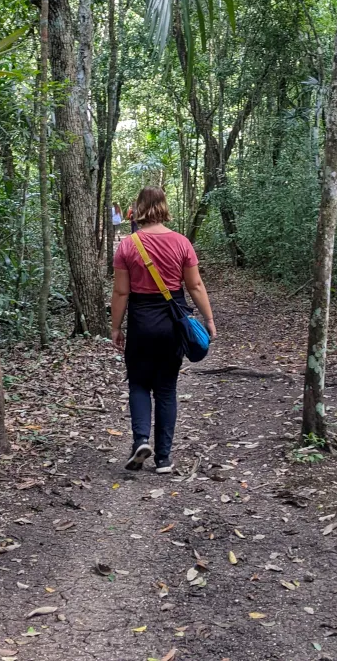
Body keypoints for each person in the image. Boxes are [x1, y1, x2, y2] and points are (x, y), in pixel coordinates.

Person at [110, 185, 216, 473]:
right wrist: (208, 320)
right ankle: (164, 459)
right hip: (174, 322)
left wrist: (116, 328)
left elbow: (121, 293)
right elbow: (194, 285)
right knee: (167, 389)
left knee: (139, 383)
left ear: (139, 208)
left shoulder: (128, 245)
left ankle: (141, 440)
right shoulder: (182, 243)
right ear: (164, 207)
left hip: (142, 322)